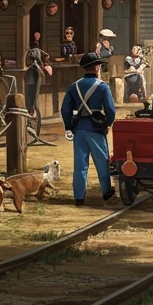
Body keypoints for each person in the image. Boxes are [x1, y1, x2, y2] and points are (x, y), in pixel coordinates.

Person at [60, 51, 117, 205]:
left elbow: (65, 109)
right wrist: (107, 124)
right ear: (97, 67)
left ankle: (79, 196)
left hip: (79, 129)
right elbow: (110, 110)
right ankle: (106, 191)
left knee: (80, 164)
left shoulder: (74, 86)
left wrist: (68, 127)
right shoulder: (102, 87)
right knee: (102, 162)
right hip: (96, 129)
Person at [24, 32, 52, 117]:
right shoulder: (31, 50)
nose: (37, 37)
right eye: (36, 36)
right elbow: (32, 62)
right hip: (29, 75)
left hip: (36, 76)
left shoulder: (39, 49)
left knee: (34, 95)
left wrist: (46, 65)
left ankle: (33, 111)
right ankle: (30, 111)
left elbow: (45, 57)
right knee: (30, 94)